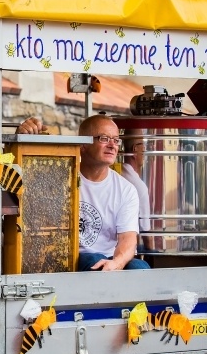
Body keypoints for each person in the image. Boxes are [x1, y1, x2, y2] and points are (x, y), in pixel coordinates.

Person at [18, 115, 150, 271]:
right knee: (94, 259)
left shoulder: (126, 189)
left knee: (140, 267)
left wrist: (116, 264)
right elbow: (25, 173)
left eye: (116, 140)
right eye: (104, 138)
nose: (112, 145)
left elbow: (128, 240)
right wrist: (22, 135)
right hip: (73, 259)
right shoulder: (60, 178)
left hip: (110, 260)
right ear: (83, 144)